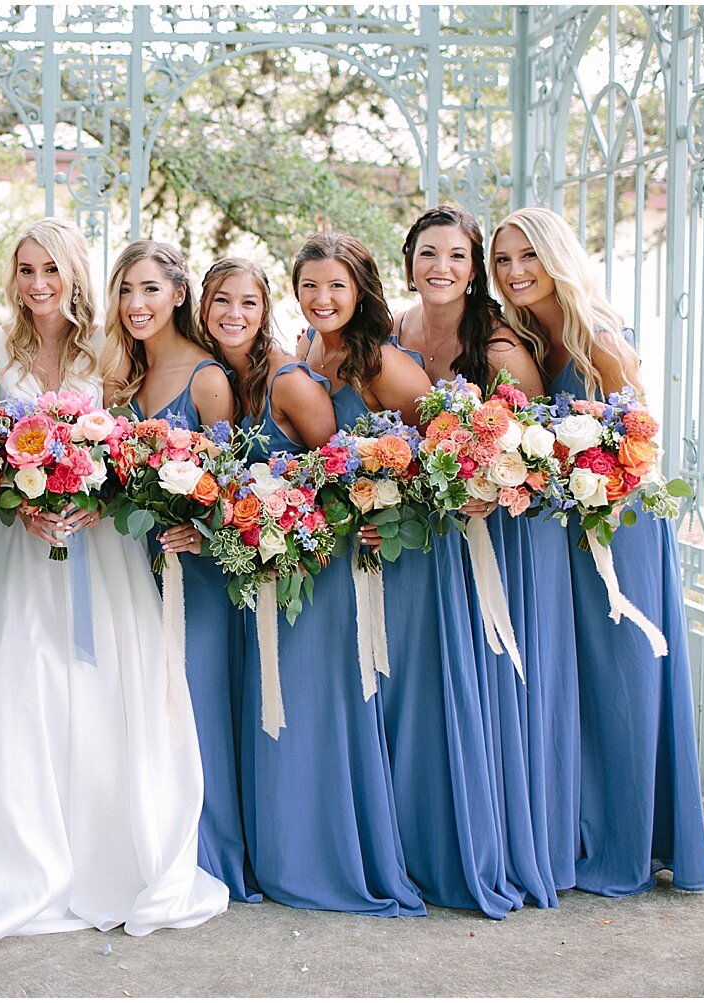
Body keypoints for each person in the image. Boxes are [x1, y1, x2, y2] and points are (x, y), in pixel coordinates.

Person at [0, 226, 228, 956]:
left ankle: (105, 855)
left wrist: (100, 500)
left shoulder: (109, 347)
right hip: (15, 545)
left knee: (102, 697)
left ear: (74, 271)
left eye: (50, 267)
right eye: (25, 268)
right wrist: (21, 502)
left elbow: (127, 445)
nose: (37, 281)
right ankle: (10, 856)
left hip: (102, 545)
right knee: (12, 689)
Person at [298, 231, 522, 918]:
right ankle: (372, 840)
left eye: (336, 286)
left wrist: (386, 506)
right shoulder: (312, 349)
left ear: (363, 288)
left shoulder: (386, 364)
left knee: (412, 702)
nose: (322, 298)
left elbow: (438, 459)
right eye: (309, 285)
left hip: (406, 559)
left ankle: (428, 851)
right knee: (368, 705)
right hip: (354, 559)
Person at [491, 206, 704, 897]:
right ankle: (589, 828)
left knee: (626, 681)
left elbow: (639, 443)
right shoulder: (525, 338)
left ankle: (638, 839)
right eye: (503, 261)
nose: (516, 271)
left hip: (622, 527)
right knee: (584, 683)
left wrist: (588, 476)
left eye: (527, 256)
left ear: (556, 256)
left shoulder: (602, 340)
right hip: (570, 529)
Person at [206, 257, 424, 916]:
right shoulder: (255, 369)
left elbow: (343, 475)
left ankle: (319, 858)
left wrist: (376, 516)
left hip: (314, 572)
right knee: (271, 712)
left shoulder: (295, 379)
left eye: (248, 301)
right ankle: (275, 851)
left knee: (308, 716)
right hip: (260, 569)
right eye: (221, 301)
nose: (234, 314)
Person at [397, 204, 577, 906]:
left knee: (490, 688)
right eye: (428, 253)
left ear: (474, 272)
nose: (442, 267)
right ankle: (431, 834)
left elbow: (541, 452)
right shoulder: (396, 331)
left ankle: (496, 837)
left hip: (501, 539)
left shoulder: (500, 348)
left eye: (458, 256)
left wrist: (491, 483)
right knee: (431, 688)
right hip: (428, 540)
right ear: (409, 259)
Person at [108, 243, 256, 903]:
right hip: (134, 566)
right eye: (124, 291)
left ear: (176, 293)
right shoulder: (123, 376)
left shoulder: (206, 379)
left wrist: (200, 530)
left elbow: (232, 488)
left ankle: (213, 849)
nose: (135, 304)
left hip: (193, 573)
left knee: (193, 706)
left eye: (148, 290)